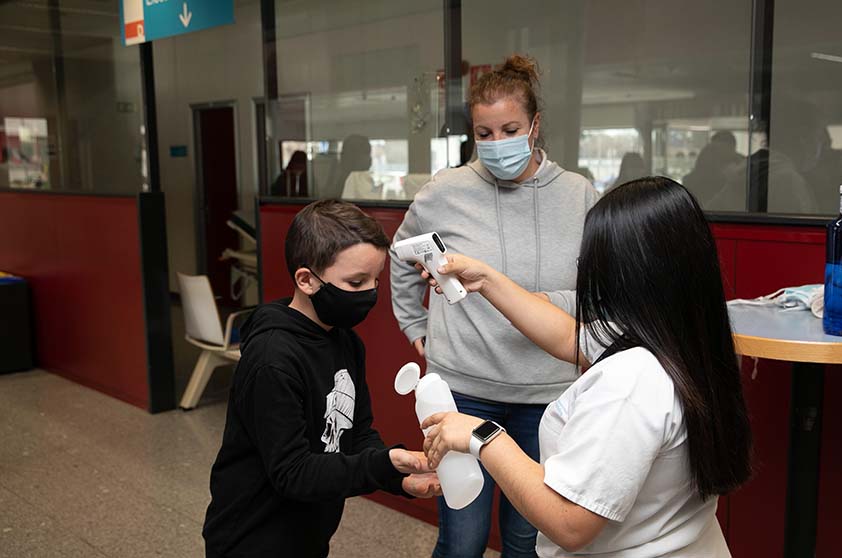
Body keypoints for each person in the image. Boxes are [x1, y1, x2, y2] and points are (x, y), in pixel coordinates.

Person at [421, 177, 753, 557]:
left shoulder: (630, 380)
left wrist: (482, 436)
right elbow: (571, 338)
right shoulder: (688, 339)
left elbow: (569, 521)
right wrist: (488, 279)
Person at [390, 54, 598, 558]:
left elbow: (601, 286)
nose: (497, 142)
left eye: (510, 128)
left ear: (535, 126)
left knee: (528, 541)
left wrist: (540, 301)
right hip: (463, 388)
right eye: (485, 133)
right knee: (462, 540)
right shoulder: (445, 192)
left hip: (546, 393)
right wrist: (416, 325)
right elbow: (402, 258)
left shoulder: (579, 195)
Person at [203, 200, 440, 558]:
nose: (370, 293)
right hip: (251, 539)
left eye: (375, 280)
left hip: (308, 532)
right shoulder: (272, 359)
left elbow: (357, 433)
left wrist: (399, 477)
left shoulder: (345, 340)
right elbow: (292, 472)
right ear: (306, 280)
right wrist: (383, 464)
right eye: (356, 282)